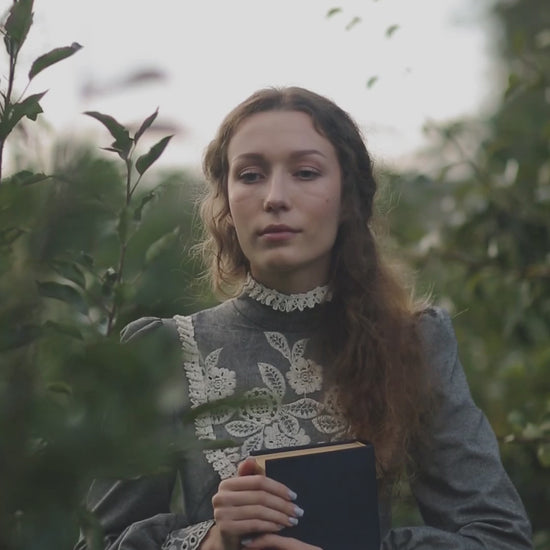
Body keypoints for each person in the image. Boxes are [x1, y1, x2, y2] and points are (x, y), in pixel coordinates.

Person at [75, 86, 532, 550]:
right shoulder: (162, 352)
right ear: (227, 203)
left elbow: (499, 538)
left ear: (348, 197)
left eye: (306, 172)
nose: (275, 196)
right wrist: (212, 542)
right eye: (250, 175)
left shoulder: (415, 343)